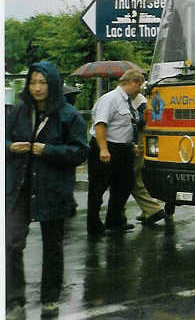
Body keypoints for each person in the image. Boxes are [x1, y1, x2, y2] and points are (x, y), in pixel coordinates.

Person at [6, 61, 88, 319]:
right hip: (20, 186)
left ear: (52, 84)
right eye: (33, 82)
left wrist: (48, 150)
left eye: (43, 82)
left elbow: (81, 151)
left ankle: (50, 298)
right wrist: (10, 147)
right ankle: (14, 299)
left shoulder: (69, 115)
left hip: (52, 189)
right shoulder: (19, 112)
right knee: (10, 244)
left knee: (52, 247)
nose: (37, 88)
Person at [86, 68, 144, 235]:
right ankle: (94, 226)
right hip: (106, 148)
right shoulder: (110, 99)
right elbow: (100, 125)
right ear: (132, 82)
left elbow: (125, 125)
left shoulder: (128, 101)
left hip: (123, 149)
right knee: (98, 188)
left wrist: (130, 145)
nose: (140, 89)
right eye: (139, 85)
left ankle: (114, 221)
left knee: (124, 185)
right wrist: (103, 149)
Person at [130, 92, 168, 225]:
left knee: (132, 178)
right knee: (135, 179)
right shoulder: (138, 100)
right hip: (138, 140)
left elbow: (143, 120)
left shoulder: (140, 101)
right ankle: (149, 209)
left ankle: (152, 209)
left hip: (137, 141)